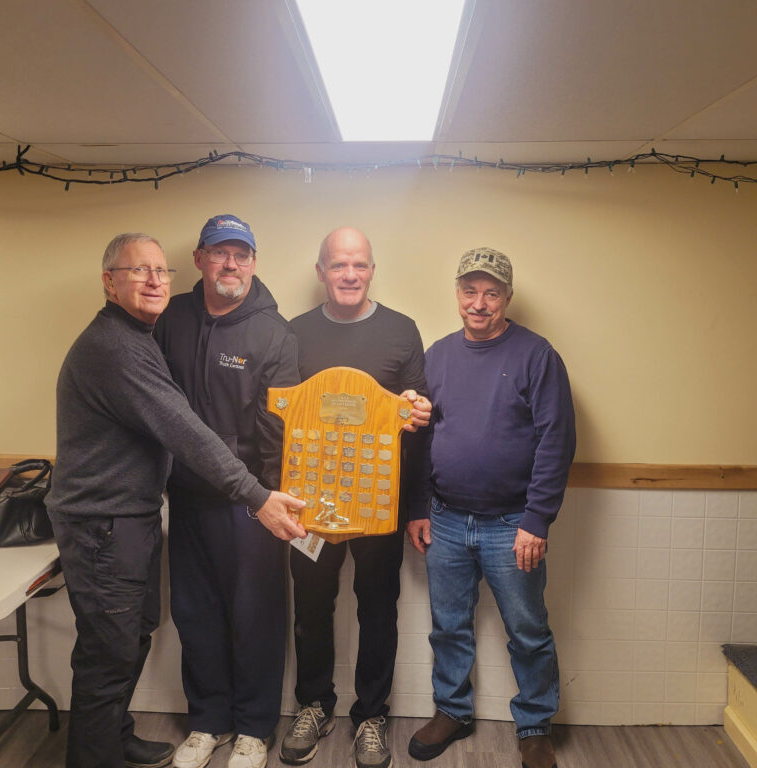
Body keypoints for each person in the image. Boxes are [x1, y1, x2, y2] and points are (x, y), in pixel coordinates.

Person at [45, 233, 305, 768]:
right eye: (138, 271)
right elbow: (182, 428)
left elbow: (273, 424)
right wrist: (256, 495)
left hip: (175, 509)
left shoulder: (145, 334)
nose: (153, 281)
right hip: (108, 521)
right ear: (109, 281)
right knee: (116, 650)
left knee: (133, 636)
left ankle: (125, 737)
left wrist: (260, 493)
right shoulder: (124, 342)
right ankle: (114, 750)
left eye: (158, 272)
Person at [406, 248, 575, 768]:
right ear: (457, 294)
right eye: (470, 291)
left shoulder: (536, 355)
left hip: (512, 525)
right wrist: (418, 508)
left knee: (527, 629)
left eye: (491, 292)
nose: (479, 303)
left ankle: (535, 725)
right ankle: (452, 712)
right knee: (448, 625)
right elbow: (418, 435)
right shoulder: (437, 355)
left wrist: (535, 520)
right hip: (446, 519)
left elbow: (557, 440)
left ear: (506, 297)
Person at [280, 227, 431, 768]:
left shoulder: (401, 330)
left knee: (378, 610)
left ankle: (371, 715)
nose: (349, 275)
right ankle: (314, 706)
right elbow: (276, 420)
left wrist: (416, 505)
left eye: (360, 265)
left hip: (379, 507)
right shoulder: (291, 333)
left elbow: (419, 419)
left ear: (372, 270)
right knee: (312, 609)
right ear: (321, 270)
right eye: (339, 265)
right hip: (310, 510)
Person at [153, 215, 299, 768]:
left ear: (254, 263)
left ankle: (255, 729)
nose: (230, 264)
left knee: (255, 617)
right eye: (219, 253)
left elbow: (277, 432)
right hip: (186, 500)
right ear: (200, 260)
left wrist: (269, 500)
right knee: (196, 615)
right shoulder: (172, 320)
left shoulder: (273, 333)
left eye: (241, 254)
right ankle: (208, 722)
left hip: (251, 505)